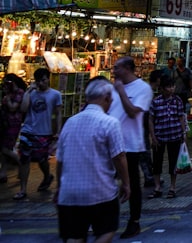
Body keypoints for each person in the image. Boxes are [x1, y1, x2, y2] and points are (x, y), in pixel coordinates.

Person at [54, 77, 129, 243]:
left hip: (70, 193)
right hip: (100, 192)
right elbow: (119, 156)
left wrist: (59, 188)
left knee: (74, 236)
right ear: (107, 98)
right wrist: (126, 183)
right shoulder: (110, 123)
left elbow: (60, 161)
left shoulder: (70, 123)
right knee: (107, 230)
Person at [109, 56, 154, 239]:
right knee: (106, 182)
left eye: (117, 67)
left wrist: (121, 92)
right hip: (109, 142)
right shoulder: (113, 87)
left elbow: (133, 112)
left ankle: (134, 221)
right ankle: (104, 220)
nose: (113, 71)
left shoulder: (143, 88)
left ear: (127, 68)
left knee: (132, 184)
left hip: (130, 144)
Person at [15, 67, 62, 200]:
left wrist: (57, 131)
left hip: (44, 132)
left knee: (42, 159)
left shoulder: (55, 95)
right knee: (24, 159)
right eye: (38, 81)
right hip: (28, 130)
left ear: (48, 79)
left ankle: (47, 176)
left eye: (43, 80)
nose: (41, 83)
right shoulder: (31, 93)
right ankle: (23, 189)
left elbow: (58, 114)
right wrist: (28, 91)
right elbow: (23, 109)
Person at [148, 76, 186, 198]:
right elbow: (151, 119)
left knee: (173, 162)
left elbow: (181, 117)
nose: (171, 89)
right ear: (162, 89)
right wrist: (153, 136)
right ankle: (157, 187)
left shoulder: (177, 101)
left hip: (175, 136)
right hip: (159, 137)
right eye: (169, 87)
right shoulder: (156, 102)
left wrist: (183, 132)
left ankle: (172, 187)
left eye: (172, 86)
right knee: (157, 163)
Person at [1, 73, 26, 183]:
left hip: (13, 123)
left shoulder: (19, 93)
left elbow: (12, 107)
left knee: (4, 148)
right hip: (5, 122)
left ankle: (20, 162)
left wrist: (7, 96)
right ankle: (3, 172)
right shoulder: (9, 93)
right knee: (5, 149)